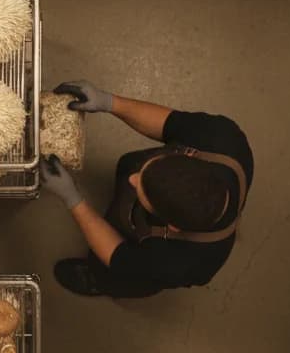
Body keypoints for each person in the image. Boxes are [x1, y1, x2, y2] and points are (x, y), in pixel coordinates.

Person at [40, 80, 253, 298]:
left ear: (173, 226)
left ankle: (98, 280)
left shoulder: (180, 263)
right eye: (146, 171)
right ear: (188, 154)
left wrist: (72, 198)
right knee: (127, 164)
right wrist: (110, 102)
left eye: (142, 190)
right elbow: (170, 123)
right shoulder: (224, 139)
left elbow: (117, 254)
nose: (133, 179)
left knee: (113, 273)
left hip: (138, 263)